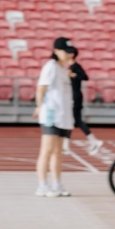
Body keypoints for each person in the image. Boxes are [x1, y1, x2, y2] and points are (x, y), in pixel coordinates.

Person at [32, 37, 74, 197]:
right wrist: (39, 106)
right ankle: (42, 185)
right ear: (56, 51)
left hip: (63, 117)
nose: (69, 54)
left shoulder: (63, 69)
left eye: (70, 52)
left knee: (57, 152)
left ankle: (57, 184)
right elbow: (41, 88)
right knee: (47, 150)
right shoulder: (50, 67)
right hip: (51, 115)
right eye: (66, 51)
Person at [66, 46, 103, 155]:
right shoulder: (69, 67)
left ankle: (66, 145)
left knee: (72, 120)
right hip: (73, 96)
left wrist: (73, 75)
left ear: (71, 54)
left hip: (75, 97)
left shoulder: (75, 66)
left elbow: (85, 77)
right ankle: (93, 141)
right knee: (75, 121)